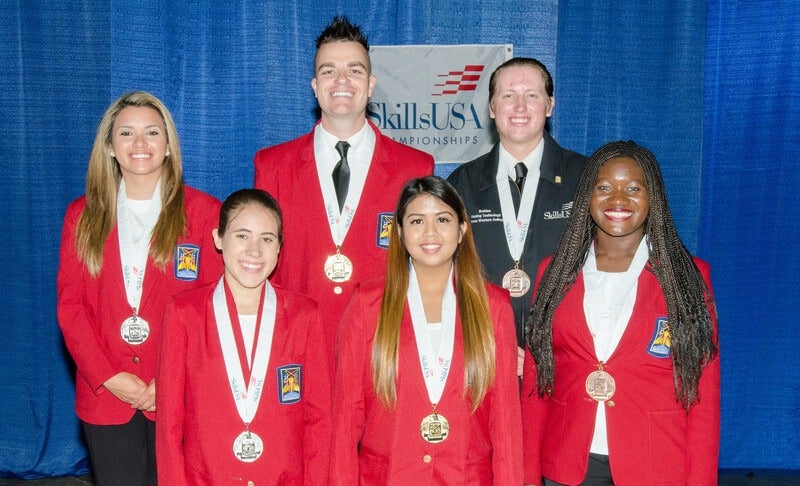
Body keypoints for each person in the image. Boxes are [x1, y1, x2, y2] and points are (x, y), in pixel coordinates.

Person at [521, 141, 720, 485]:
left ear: (652, 196)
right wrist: (524, 475)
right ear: (587, 195)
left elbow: (703, 397)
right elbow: (538, 386)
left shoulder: (688, 277)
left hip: (655, 464)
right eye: (604, 187)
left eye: (632, 188)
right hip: (569, 465)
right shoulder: (553, 273)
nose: (618, 200)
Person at [57, 91, 223, 485]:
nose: (140, 144)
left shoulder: (204, 214)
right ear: (110, 147)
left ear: (168, 146)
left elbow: (213, 307)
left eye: (151, 132)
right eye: (126, 133)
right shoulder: (82, 217)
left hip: (181, 393)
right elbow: (71, 308)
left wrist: (167, 380)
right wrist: (110, 377)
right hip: (106, 396)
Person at [254, 16, 434, 357]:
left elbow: (426, 268)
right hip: (295, 349)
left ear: (370, 84)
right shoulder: (272, 165)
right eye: (328, 70)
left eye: (354, 70)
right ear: (314, 85)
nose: (341, 80)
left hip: (383, 350)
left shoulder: (415, 167)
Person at [330, 176, 523, 485]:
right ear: (400, 231)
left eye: (443, 219)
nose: (430, 232)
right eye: (417, 220)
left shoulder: (493, 306)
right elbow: (344, 420)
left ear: (461, 231)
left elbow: (506, 424)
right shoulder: (367, 303)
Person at [156, 189, 331, 485]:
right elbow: (170, 425)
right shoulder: (185, 313)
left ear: (279, 247)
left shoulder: (306, 315)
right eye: (242, 236)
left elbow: (319, 421)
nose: (255, 251)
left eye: (267, 239)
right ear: (217, 239)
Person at [447, 57, 587, 374]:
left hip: (565, 363)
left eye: (532, 95)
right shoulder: (463, 183)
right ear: (492, 107)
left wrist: (550, 353)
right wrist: (489, 344)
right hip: (484, 359)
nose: (520, 106)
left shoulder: (585, 178)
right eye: (508, 95)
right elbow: (448, 276)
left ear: (550, 105)